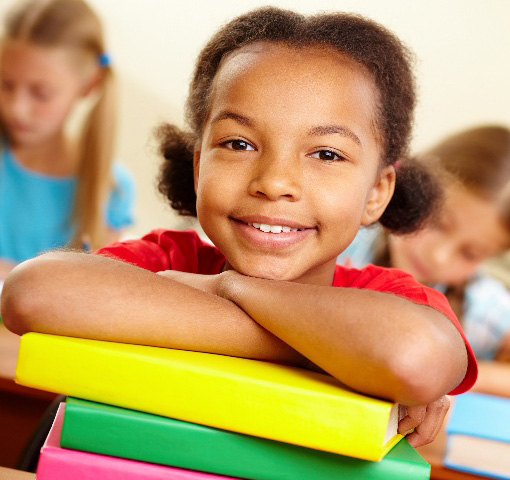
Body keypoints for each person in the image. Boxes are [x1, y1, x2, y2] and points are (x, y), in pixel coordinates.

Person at [2, 7, 477, 447]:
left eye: (326, 154)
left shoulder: (390, 297)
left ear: (376, 191)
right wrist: (341, 353)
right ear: (198, 166)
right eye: (238, 143)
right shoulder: (169, 258)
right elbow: (32, 293)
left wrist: (227, 288)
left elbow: (414, 358)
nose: (274, 183)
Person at [338, 125, 510, 397]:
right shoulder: (342, 241)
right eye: (438, 223)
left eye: (470, 254)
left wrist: (451, 378)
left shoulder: (484, 308)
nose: (439, 256)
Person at [0, 0, 135, 281]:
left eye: (41, 93)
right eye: (5, 84)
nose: (16, 108)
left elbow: (87, 295)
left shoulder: (111, 190)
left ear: (89, 85)